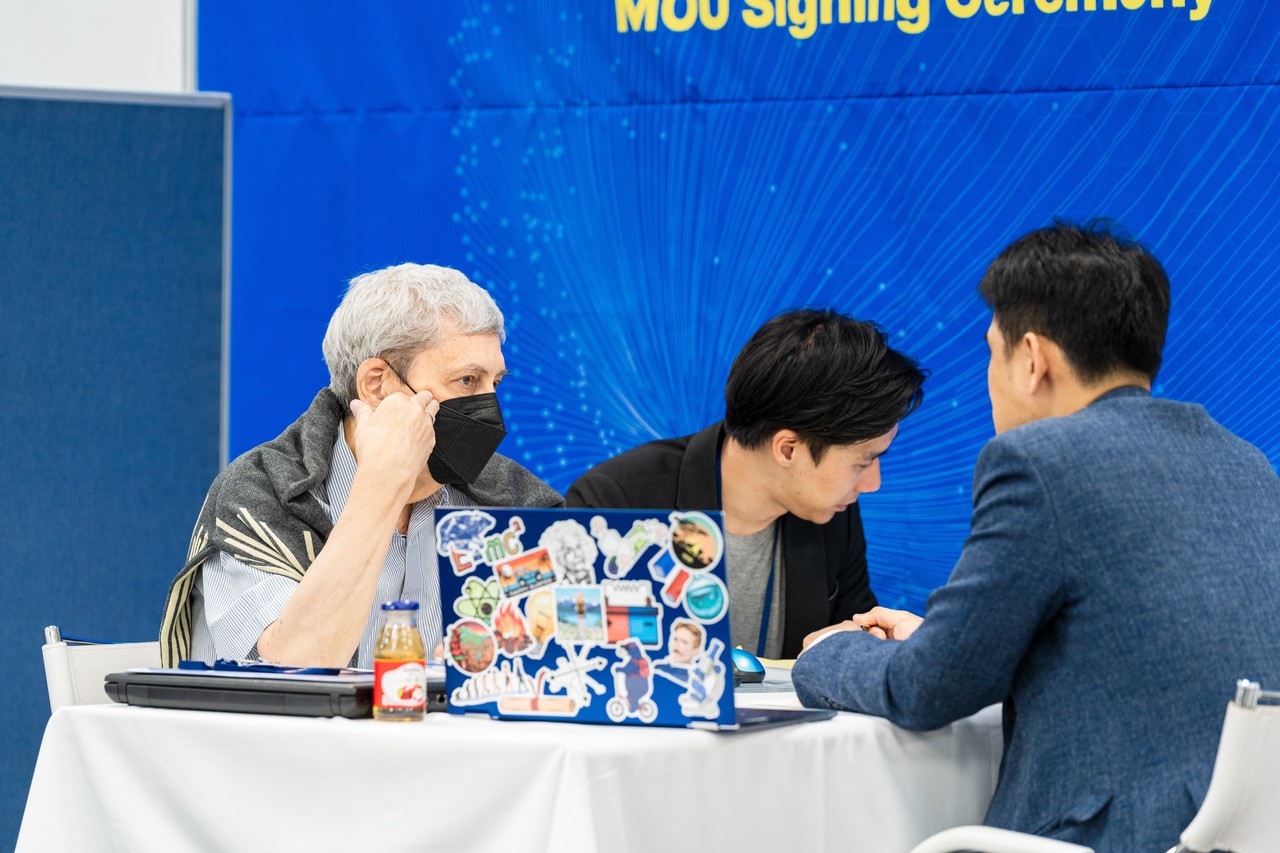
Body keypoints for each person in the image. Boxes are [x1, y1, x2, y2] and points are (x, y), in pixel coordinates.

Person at [792, 222, 1280, 852]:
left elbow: (926, 690)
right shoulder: (1247, 464)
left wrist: (828, 653)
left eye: (991, 353)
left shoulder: (1038, 460)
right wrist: (938, 638)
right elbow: (1132, 654)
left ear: (1031, 359)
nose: (989, 378)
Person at [160, 263, 562, 668]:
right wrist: (384, 483)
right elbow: (299, 666)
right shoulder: (261, 493)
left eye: (496, 383)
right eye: (467, 381)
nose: (490, 407)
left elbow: (561, 658)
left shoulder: (514, 501)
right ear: (376, 385)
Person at [566, 309, 927, 659]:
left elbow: (855, 629)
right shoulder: (612, 502)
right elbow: (574, 652)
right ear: (787, 449)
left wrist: (861, 645)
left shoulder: (832, 513)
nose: (872, 484)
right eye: (863, 462)